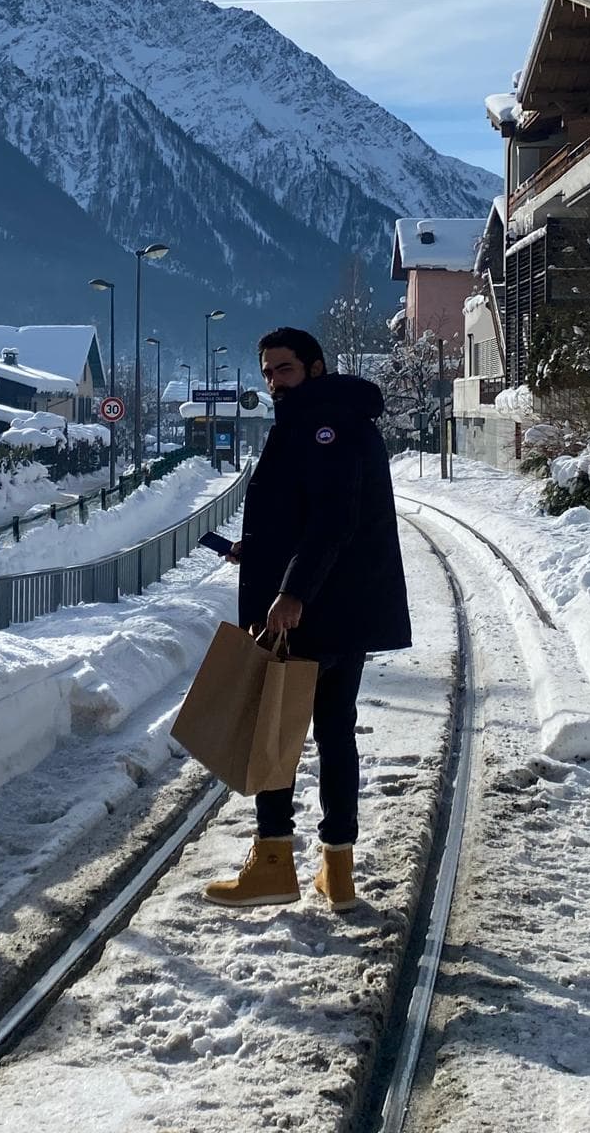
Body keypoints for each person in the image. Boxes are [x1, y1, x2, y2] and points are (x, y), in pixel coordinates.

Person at [204, 326, 410, 912]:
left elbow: (332, 521)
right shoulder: (334, 417)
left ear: (315, 369)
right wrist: (262, 550)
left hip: (312, 612)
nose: (273, 381)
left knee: (276, 728)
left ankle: (273, 862)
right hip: (340, 610)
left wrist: (291, 589)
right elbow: (307, 515)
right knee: (334, 731)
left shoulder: (323, 425)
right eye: (267, 372)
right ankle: (336, 871)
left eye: (285, 369)